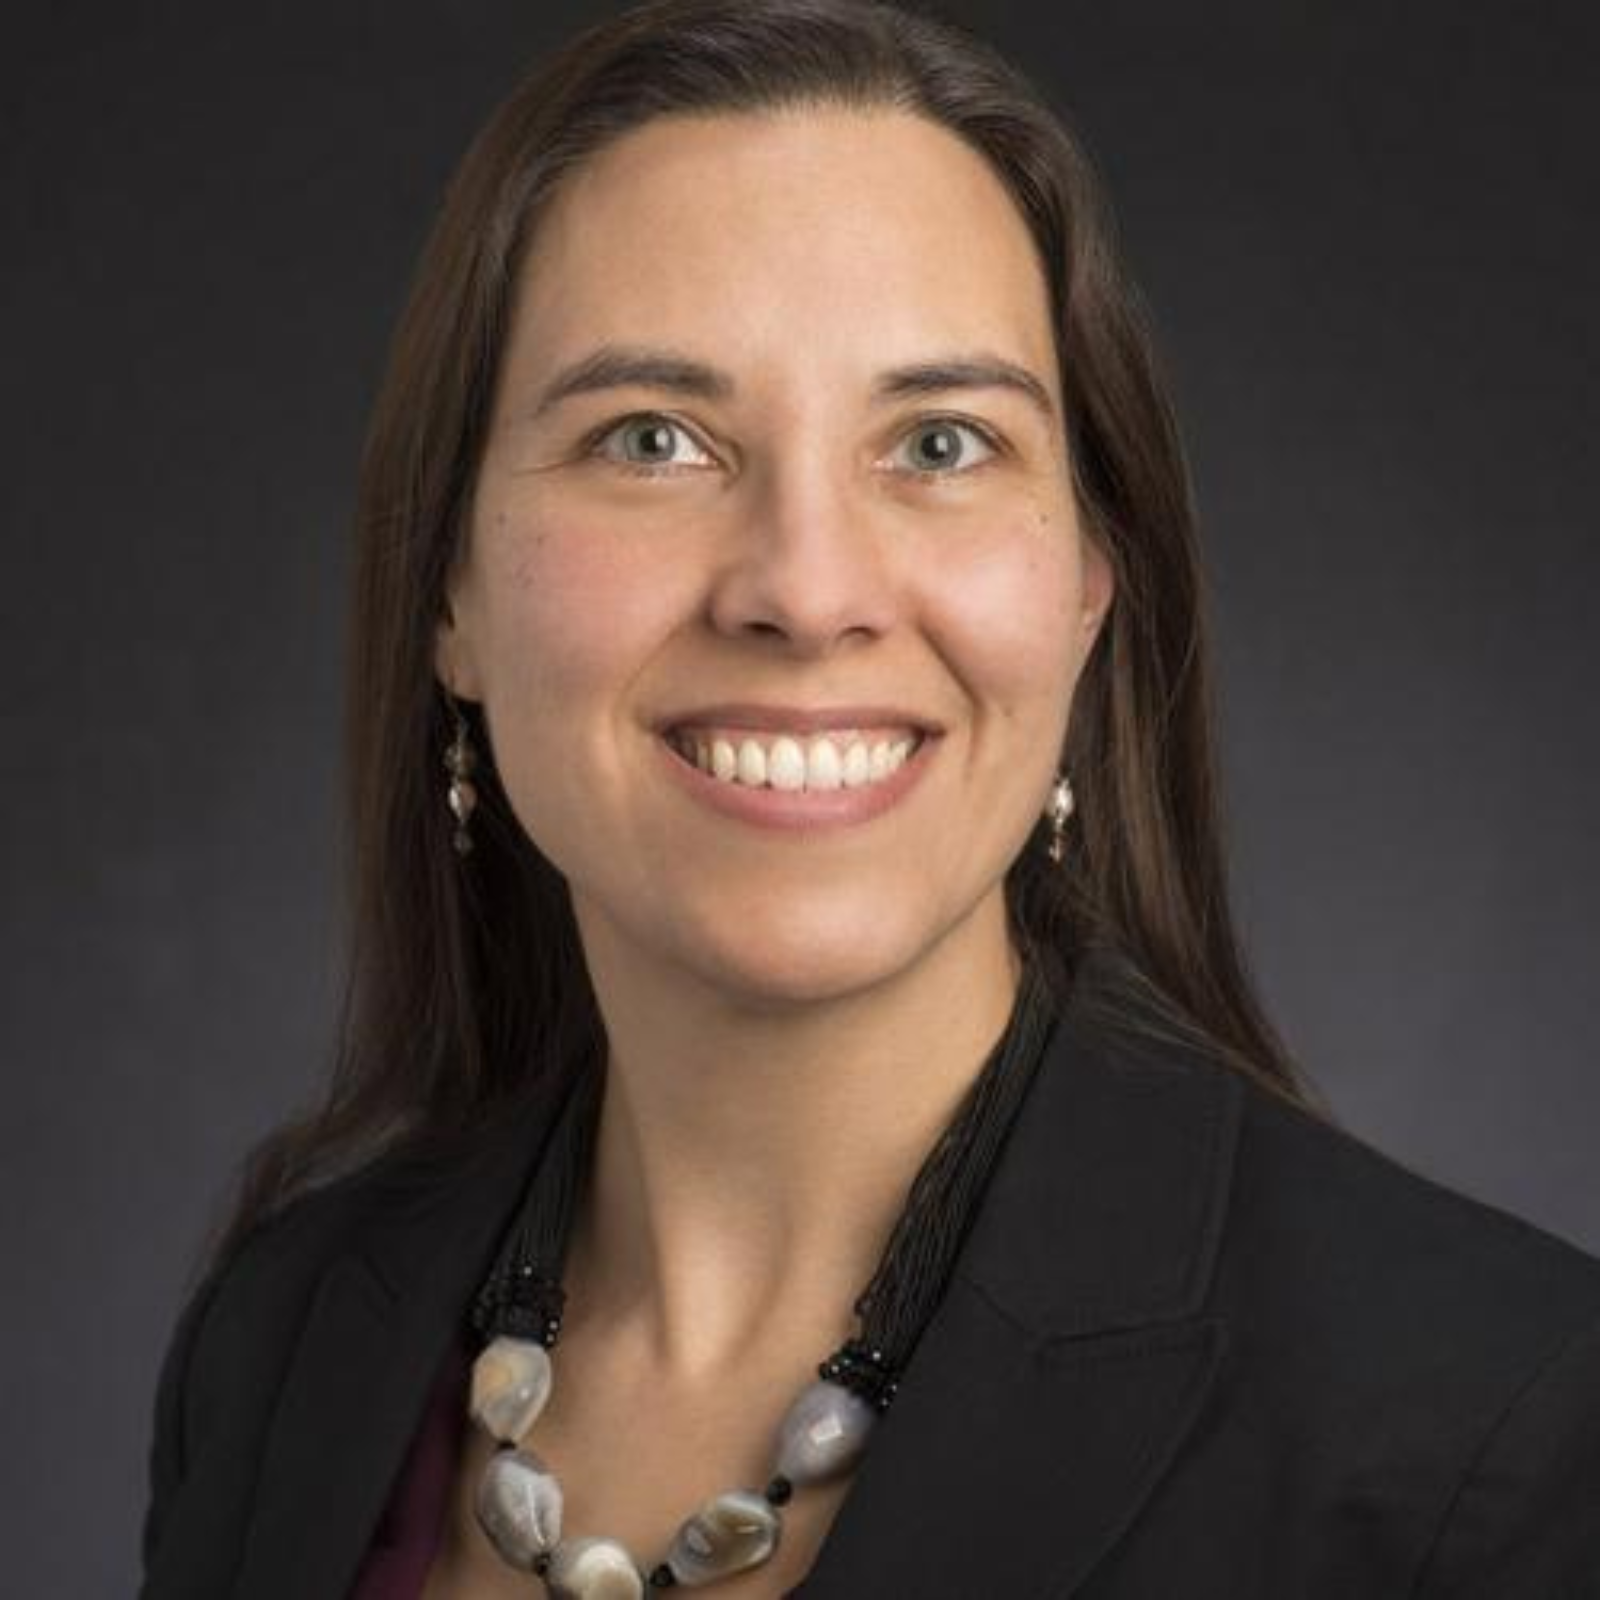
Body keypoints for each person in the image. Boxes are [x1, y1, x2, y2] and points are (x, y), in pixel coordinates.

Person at [138, 2, 1600, 1596]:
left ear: (1089, 589)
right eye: (654, 437)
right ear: (453, 595)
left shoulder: (1501, 1433)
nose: (808, 588)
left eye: (941, 442)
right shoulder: (281, 1343)